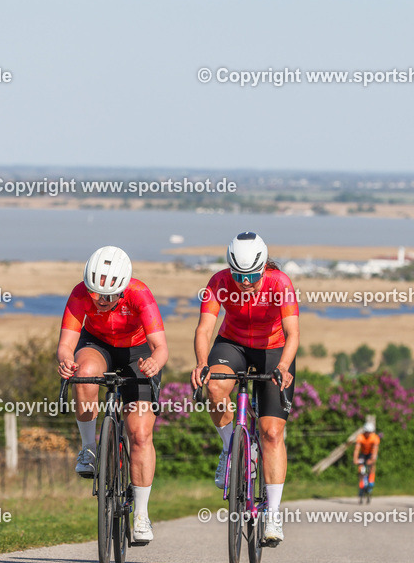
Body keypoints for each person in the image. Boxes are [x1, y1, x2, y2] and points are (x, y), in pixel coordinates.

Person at [191, 232, 300, 546]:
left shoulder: (280, 284)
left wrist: (283, 366)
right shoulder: (219, 282)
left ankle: (274, 514)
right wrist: (201, 362)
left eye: (252, 275)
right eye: (238, 275)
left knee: (271, 433)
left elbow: (293, 333)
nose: (245, 282)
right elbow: (205, 328)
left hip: (274, 350)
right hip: (233, 345)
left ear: (264, 268)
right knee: (214, 387)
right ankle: (230, 448)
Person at [56, 246, 168, 543]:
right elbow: (66, 343)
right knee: (84, 374)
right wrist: (66, 359)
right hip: (99, 344)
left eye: (108, 296)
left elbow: (161, 346)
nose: (101, 301)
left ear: (123, 288)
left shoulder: (140, 293)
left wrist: (155, 362)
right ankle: (89, 448)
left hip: (138, 352)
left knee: (140, 433)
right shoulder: (81, 294)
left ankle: (142, 516)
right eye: (96, 294)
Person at [353, 422, 380, 492]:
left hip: (371, 453)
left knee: (372, 465)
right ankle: (362, 481)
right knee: (360, 466)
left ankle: (371, 480)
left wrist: (372, 460)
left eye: (370, 432)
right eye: (367, 432)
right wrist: (355, 459)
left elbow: (375, 450)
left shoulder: (375, 438)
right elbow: (357, 449)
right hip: (363, 453)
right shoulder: (360, 437)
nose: (368, 434)